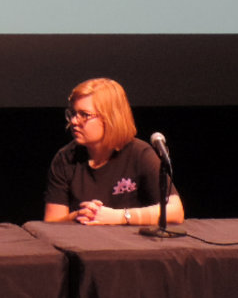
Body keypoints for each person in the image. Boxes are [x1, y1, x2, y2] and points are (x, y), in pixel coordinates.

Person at [44, 77, 185, 226]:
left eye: (84, 115)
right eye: (72, 113)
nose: (73, 121)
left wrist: (119, 217)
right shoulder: (65, 158)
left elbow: (175, 211)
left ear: (111, 117)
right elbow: (51, 223)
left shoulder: (139, 154)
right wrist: (79, 215)